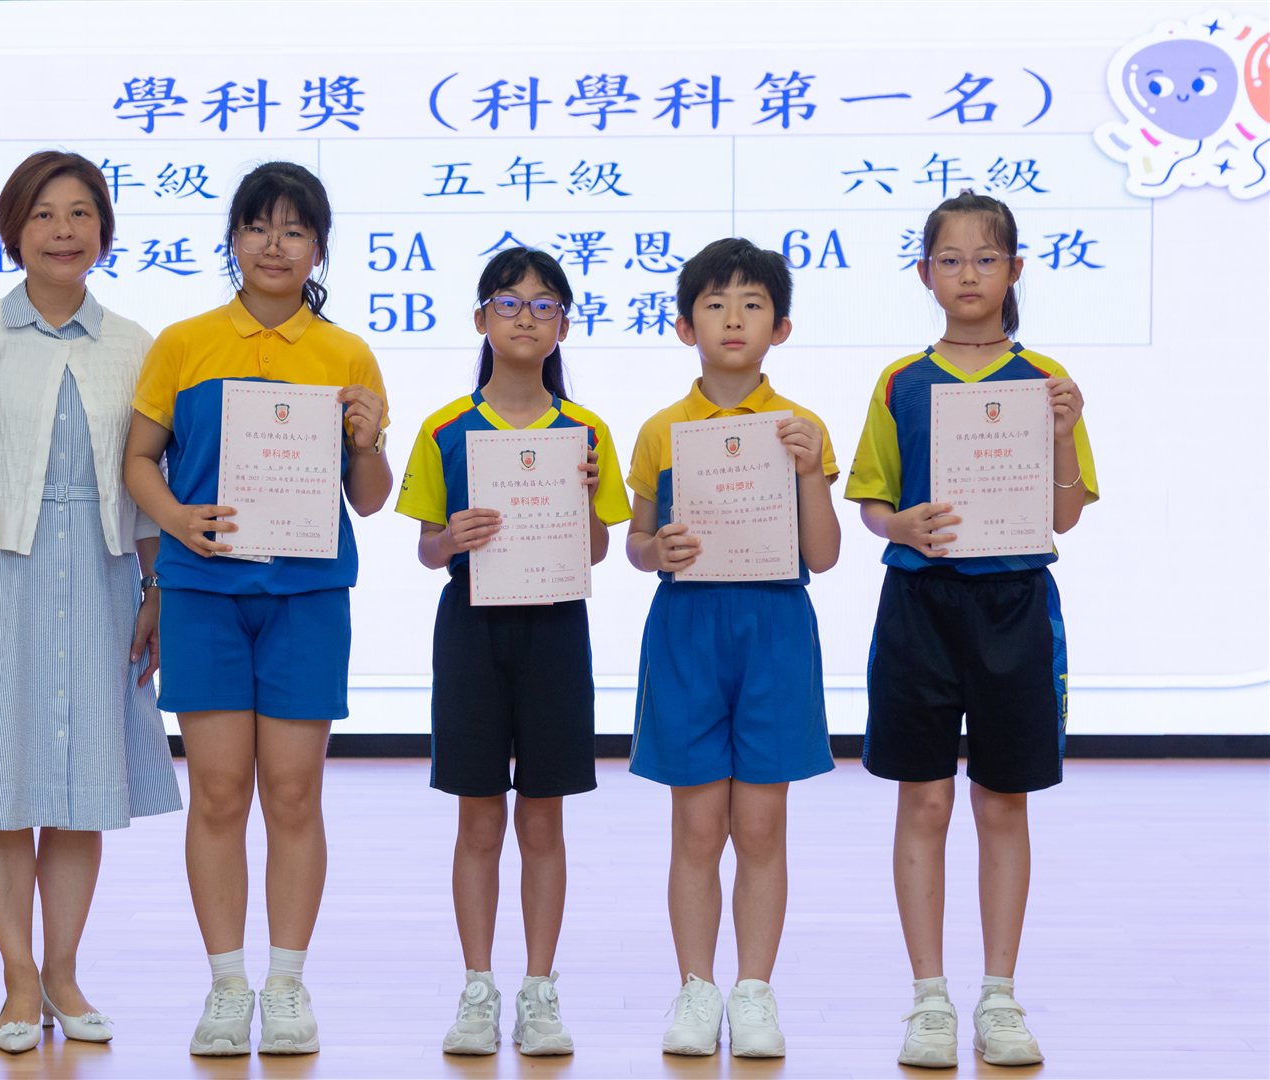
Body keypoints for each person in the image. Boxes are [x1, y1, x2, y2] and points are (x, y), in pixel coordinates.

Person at [0, 151, 181, 1055]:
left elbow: (149, 480)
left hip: (103, 577)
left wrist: (153, 589)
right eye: (44, 215)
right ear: (13, 232)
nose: (64, 231)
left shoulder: (138, 346)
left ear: (104, 230)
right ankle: (19, 979)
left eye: (81, 213)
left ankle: (64, 973)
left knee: (77, 789)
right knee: (0, 787)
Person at [122, 161, 391, 1057]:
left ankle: (286, 985)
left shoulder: (346, 354)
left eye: (295, 230)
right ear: (232, 239)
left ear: (319, 248)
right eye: (258, 226)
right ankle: (226, 986)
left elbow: (370, 500)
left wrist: (367, 442)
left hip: (307, 597)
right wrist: (176, 521)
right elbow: (139, 461)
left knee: (293, 792)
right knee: (218, 792)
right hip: (204, 595)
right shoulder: (184, 343)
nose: (275, 245)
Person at [845, 191, 1097, 1068]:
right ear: (925, 274)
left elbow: (1065, 514)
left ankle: (999, 995)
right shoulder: (900, 382)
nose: (968, 275)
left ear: (1015, 270)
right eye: (950, 260)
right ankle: (928, 999)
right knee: (923, 798)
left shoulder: (1047, 382)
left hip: (1015, 606)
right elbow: (873, 502)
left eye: (986, 259)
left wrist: (1064, 433)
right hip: (920, 604)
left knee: (1002, 799)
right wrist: (899, 525)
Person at [395, 248, 631, 1057]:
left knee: (543, 817)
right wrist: (450, 539)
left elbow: (595, 549)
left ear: (564, 324)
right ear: (480, 318)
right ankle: (476, 988)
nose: (525, 316)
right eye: (508, 301)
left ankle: (538, 988)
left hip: (556, 629)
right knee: (478, 816)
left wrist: (584, 498)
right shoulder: (445, 429)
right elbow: (427, 548)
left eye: (543, 304)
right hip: (472, 626)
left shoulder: (586, 431)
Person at [625, 238, 840, 1058]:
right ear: (686, 327)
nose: (733, 319)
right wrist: (658, 550)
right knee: (695, 826)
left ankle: (754, 992)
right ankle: (695, 989)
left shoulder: (801, 428)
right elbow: (638, 543)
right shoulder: (661, 431)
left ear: (780, 327)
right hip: (688, 630)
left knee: (761, 824)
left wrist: (810, 472)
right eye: (714, 305)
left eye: (753, 304)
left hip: (775, 629)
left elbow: (823, 555)